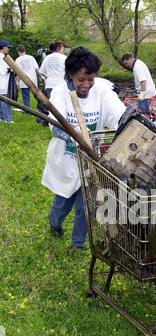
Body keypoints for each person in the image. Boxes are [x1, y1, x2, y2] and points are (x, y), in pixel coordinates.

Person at [42, 46, 126, 252]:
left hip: (89, 161)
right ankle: (55, 224)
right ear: (71, 75)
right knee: (62, 204)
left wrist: (129, 122)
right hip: (66, 159)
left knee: (85, 206)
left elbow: (117, 114)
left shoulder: (101, 91)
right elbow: (55, 124)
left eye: (91, 79)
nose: (86, 85)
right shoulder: (61, 93)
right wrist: (76, 136)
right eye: (81, 80)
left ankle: (77, 243)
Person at [37, 40, 66, 125]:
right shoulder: (64, 58)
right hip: (61, 83)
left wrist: (48, 76)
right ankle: (61, 122)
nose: (63, 49)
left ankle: (50, 121)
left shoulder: (47, 58)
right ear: (58, 48)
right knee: (61, 104)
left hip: (49, 84)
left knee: (51, 105)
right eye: (62, 47)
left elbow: (41, 71)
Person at [0, 39, 13, 123]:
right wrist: (11, 69)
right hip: (3, 81)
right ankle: (8, 119)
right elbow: (3, 70)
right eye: (7, 47)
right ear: (3, 47)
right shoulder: (2, 57)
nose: (8, 49)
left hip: (2, 82)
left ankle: (1, 117)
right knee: (5, 100)